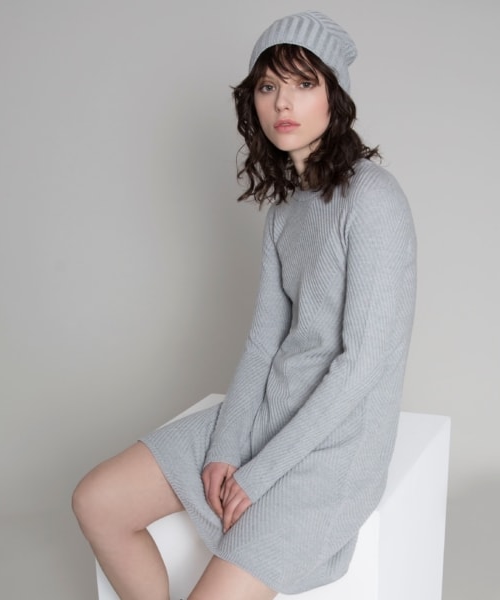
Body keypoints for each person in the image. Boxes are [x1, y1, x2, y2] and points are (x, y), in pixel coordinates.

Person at [72, 11, 416, 600]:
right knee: (97, 500)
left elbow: (360, 367)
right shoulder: (285, 212)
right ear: (251, 100)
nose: (283, 101)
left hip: (336, 446)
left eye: (304, 83)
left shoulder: (374, 200)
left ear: (335, 95)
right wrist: (226, 449)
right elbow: (264, 342)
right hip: (270, 411)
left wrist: (257, 474)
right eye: (267, 85)